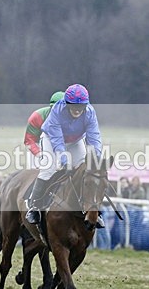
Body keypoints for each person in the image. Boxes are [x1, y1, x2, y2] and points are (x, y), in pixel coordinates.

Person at [25, 83, 105, 228]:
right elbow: (57, 141)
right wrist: (65, 161)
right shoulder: (57, 110)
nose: (77, 110)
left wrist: (95, 160)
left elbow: (94, 138)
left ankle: (93, 211)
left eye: (80, 107)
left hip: (75, 140)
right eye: (73, 106)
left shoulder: (90, 112)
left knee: (87, 169)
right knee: (48, 169)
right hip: (51, 139)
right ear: (66, 103)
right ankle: (34, 206)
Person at [24, 91, 65, 162]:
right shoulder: (37, 117)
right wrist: (40, 155)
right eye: (55, 108)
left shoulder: (74, 118)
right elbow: (29, 140)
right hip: (38, 145)